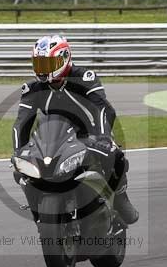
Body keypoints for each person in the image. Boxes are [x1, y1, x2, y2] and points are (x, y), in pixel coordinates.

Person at [12, 35, 139, 224]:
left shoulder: (84, 78)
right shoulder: (32, 89)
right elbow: (21, 123)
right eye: (39, 63)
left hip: (90, 134)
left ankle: (120, 198)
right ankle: (39, 211)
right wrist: (18, 151)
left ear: (64, 59)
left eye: (48, 64)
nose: (43, 70)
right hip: (53, 139)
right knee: (21, 171)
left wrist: (103, 138)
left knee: (115, 156)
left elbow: (102, 108)